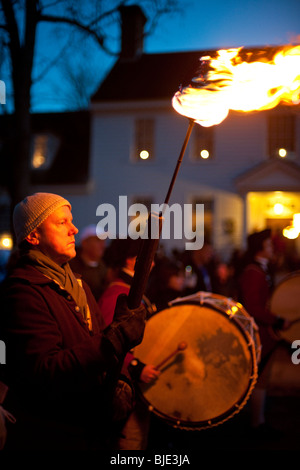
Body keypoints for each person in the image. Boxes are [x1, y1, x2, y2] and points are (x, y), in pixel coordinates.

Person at [0, 192, 146, 451]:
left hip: (88, 429)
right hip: (52, 436)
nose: (74, 229)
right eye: (61, 223)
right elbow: (46, 368)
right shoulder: (24, 291)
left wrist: (121, 380)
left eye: (72, 221)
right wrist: (114, 340)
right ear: (33, 236)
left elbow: (100, 342)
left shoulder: (78, 285)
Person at [99, 238, 160, 450]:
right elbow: (110, 342)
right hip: (126, 386)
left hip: (135, 387)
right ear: (131, 260)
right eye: (149, 258)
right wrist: (136, 367)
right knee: (130, 444)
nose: (153, 263)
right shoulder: (118, 292)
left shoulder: (130, 289)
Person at [239, 229, 290, 437]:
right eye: (268, 245)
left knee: (262, 380)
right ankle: (255, 423)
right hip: (259, 334)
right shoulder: (253, 272)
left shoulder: (260, 269)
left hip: (264, 333)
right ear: (259, 249)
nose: (272, 248)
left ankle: (258, 420)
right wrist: (276, 320)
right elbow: (252, 307)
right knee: (258, 380)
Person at [69, 224, 108, 301]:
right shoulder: (71, 268)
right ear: (84, 243)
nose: (103, 245)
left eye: (104, 241)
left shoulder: (105, 269)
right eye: (98, 240)